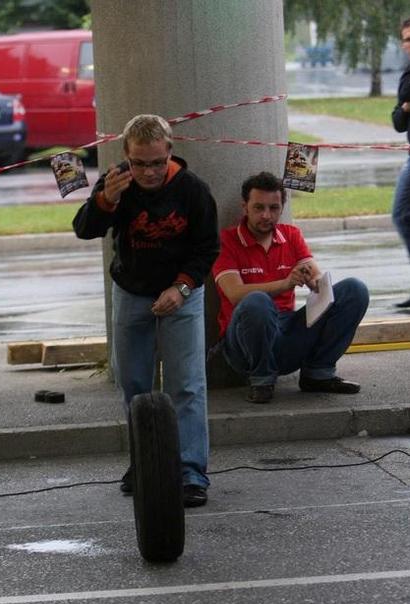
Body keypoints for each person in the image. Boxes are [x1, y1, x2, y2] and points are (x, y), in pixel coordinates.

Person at [73, 114, 219, 507]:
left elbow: (208, 248)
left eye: (157, 162)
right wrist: (106, 200)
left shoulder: (192, 190)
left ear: (170, 152)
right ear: (126, 155)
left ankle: (190, 471)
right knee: (134, 384)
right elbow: (84, 229)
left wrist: (182, 287)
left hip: (181, 292)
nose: (149, 172)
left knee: (186, 385)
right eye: (139, 163)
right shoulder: (117, 183)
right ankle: (144, 463)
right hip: (131, 290)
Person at [212, 171, 369, 404]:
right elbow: (234, 294)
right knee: (256, 301)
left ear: (282, 208)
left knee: (354, 290)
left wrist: (315, 283)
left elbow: (315, 273)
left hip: (287, 332)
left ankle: (318, 374)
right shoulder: (226, 241)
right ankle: (261, 380)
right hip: (244, 344)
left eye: (274, 208)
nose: (266, 215)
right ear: (245, 207)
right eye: (259, 208)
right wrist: (285, 283)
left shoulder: (291, 235)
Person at [392, 17, 410, 308]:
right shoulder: (407, 74)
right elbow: (398, 121)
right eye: (406, 40)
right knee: (401, 214)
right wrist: (406, 107)